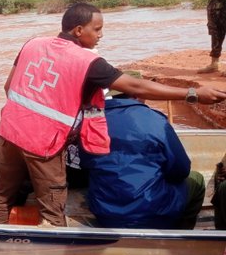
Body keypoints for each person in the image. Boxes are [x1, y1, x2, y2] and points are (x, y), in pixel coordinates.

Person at [0, 2, 226, 227]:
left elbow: (9, 87)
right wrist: (192, 93)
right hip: (43, 142)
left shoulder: (33, 44)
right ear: (79, 30)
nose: (101, 35)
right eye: (97, 29)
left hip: (9, 130)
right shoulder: (88, 61)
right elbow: (136, 87)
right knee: (52, 208)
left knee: (2, 195)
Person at [78, 92, 204, 229]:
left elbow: (85, 164)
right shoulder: (155, 120)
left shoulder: (91, 120)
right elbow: (182, 170)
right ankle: (182, 234)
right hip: (153, 212)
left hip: (105, 213)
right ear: (139, 94)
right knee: (197, 180)